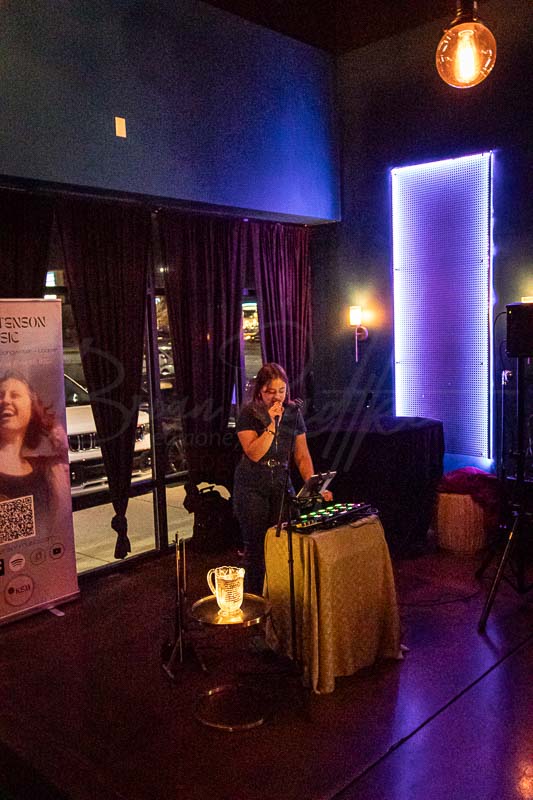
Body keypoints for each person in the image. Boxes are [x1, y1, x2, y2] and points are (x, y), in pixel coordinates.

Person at [233, 363, 332, 595]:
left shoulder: (293, 413)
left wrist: (313, 485)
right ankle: (255, 600)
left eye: (281, 390)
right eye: (270, 392)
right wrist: (271, 425)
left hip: (280, 479)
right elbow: (254, 453)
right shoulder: (248, 414)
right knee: (257, 547)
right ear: (260, 391)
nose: (277, 397)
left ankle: (282, 596)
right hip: (252, 485)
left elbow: (302, 455)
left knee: (288, 539)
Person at [0, 371, 71, 540]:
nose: (5, 400)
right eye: (0, 395)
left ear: (32, 408)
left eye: (15, 395)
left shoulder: (47, 470)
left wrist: (51, 425)